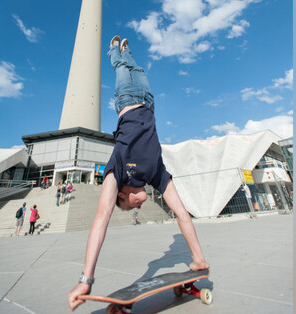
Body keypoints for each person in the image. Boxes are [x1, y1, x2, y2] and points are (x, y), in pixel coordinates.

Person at [67, 37, 209, 311]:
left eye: (129, 205)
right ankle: (126, 51)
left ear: (122, 194)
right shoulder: (155, 174)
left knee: (120, 64)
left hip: (127, 98)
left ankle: (114, 50)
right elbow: (181, 213)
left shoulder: (116, 170)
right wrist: (199, 260)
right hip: (148, 98)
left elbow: (101, 216)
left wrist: (86, 279)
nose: (139, 205)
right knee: (136, 66)